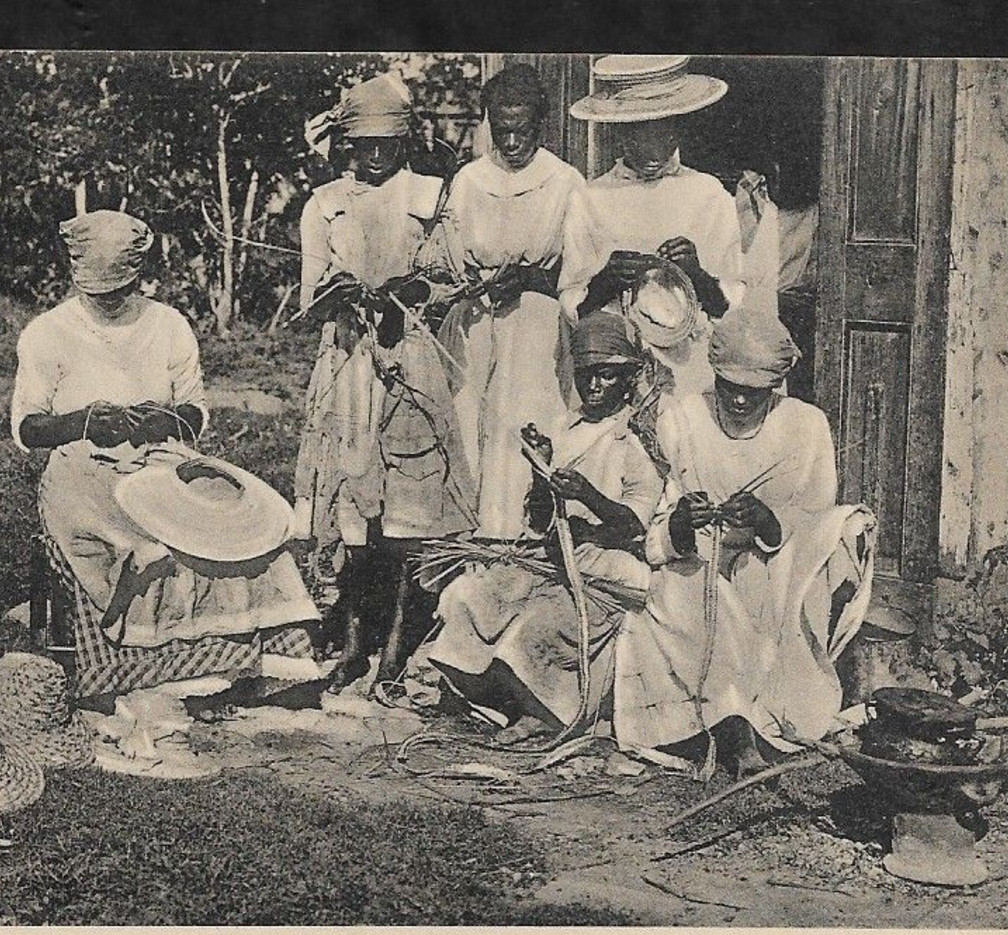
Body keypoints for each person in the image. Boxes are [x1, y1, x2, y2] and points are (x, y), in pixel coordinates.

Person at [11, 209, 320, 777]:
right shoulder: (48, 331)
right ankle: (145, 671)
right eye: (97, 293)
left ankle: (238, 668)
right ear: (76, 279)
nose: (108, 301)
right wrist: (81, 421)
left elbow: (195, 414)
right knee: (139, 536)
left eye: (119, 291)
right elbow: (30, 430)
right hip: (81, 465)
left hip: (160, 457)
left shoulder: (169, 324)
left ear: (139, 276)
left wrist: (164, 419)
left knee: (232, 518)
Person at [612, 306, 876, 777]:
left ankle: (754, 719)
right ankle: (732, 728)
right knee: (684, 592)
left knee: (836, 534)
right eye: (729, 387)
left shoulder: (806, 426)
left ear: (775, 386)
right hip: (698, 564)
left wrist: (765, 522)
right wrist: (680, 525)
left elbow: (816, 521)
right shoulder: (683, 418)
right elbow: (651, 527)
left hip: (774, 571)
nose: (737, 401)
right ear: (713, 373)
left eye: (752, 392)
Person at [294, 72, 476, 691]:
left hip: (413, 359)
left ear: (403, 139)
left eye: (386, 141)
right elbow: (309, 300)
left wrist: (412, 290)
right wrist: (340, 295)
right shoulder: (324, 205)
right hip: (348, 364)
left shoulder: (429, 196)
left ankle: (397, 644)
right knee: (349, 508)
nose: (375, 153)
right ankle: (352, 640)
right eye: (363, 143)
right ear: (347, 141)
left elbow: (453, 281)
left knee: (408, 509)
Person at [429, 312, 663, 743]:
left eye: (606, 376)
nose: (593, 385)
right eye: (586, 375)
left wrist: (588, 496)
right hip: (553, 555)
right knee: (469, 595)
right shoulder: (565, 428)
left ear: (627, 378)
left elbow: (635, 524)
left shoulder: (635, 439)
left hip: (604, 566)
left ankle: (541, 712)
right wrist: (540, 470)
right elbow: (538, 518)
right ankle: (476, 696)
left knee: (536, 623)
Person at [430, 63, 588, 540]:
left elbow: (582, 270)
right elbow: (445, 258)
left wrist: (531, 277)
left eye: (522, 132)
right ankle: (468, 540)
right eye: (503, 132)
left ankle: (522, 537)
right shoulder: (469, 181)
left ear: (540, 126)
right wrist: (466, 279)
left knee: (526, 422)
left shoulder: (564, 182)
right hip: (476, 326)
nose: (513, 143)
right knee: (469, 423)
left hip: (537, 328)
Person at [559, 55, 746, 401]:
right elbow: (572, 308)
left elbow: (730, 308)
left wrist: (695, 272)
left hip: (691, 368)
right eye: (637, 135)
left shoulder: (708, 195)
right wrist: (605, 281)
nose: (651, 150)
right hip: (614, 371)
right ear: (617, 132)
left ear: (678, 129)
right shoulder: (591, 198)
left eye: (662, 135)